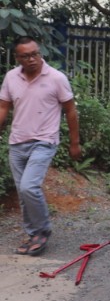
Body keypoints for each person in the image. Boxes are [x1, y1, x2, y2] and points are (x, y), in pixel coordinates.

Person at [0, 37, 82, 256]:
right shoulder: (11, 78)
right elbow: (3, 107)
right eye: (26, 56)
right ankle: (33, 233)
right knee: (23, 192)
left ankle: (42, 231)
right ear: (17, 58)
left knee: (29, 187)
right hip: (17, 142)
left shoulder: (56, 78)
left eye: (35, 53)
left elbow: (71, 111)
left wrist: (75, 143)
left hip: (44, 141)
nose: (33, 59)